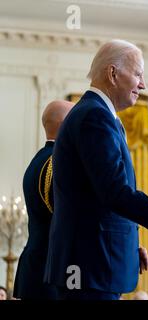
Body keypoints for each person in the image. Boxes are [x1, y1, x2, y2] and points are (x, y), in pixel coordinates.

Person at [44, 39, 148, 300]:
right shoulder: (94, 117)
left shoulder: (96, 115)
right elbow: (114, 192)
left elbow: (93, 198)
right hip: (90, 268)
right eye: (138, 74)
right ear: (112, 73)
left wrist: (130, 244)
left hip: (94, 264)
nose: (143, 85)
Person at [13, 100, 74, 300]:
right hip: (52, 273)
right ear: (66, 124)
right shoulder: (58, 162)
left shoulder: (40, 158)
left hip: (37, 266)